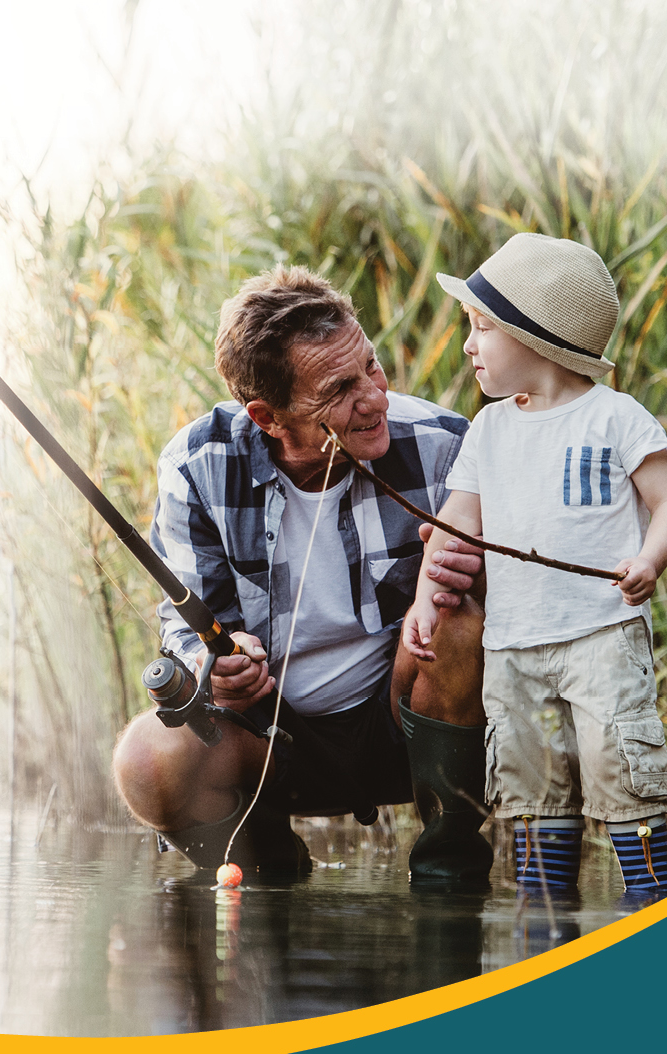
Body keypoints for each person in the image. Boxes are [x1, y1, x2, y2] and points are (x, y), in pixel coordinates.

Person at [112, 265, 495, 886]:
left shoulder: (446, 443)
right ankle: (263, 870)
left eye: (371, 366)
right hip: (267, 736)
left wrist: (478, 572)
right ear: (267, 416)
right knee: (145, 759)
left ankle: (448, 875)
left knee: (459, 617)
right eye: (339, 390)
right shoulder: (197, 463)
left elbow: (501, 614)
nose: (374, 398)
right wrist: (219, 665)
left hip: (400, 724)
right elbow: (184, 625)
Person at [405, 233, 667, 900]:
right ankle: (545, 926)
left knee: (620, 770)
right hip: (513, 647)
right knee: (533, 790)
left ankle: (650, 906)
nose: (469, 345)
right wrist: (424, 599)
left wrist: (650, 559)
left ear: (534, 337)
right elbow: (452, 530)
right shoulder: (489, 429)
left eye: (481, 329)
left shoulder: (616, 418)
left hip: (602, 638)